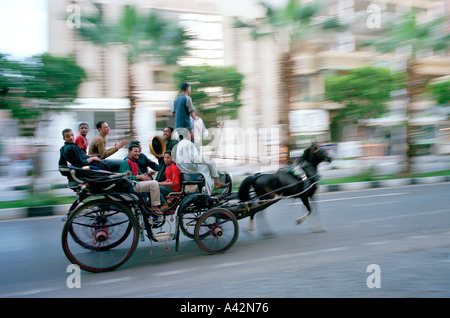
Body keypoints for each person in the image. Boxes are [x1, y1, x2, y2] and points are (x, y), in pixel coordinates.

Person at [174, 128, 226, 195]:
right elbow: (195, 159)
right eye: (193, 132)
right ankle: (211, 189)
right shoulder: (189, 144)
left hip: (183, 168)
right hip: (190, 169)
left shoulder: (180, 143)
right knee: (208, 166)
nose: (194, 134)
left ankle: (212, 187)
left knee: (208, 162)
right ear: (188, 134)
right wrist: (207, 157)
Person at [119, 144, 168, 214]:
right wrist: (139, 177)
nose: (138, 153)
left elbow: (139, 174)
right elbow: (124, 178)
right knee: (154, 184)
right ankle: (154, 206)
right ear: (129, 152)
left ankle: (157, 204)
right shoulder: (126, 162)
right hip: (130, 186)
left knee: (152, 181)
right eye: (135, 151)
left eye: (138, 152)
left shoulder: (133, 162)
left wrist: (147, 175)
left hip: (135, 184)